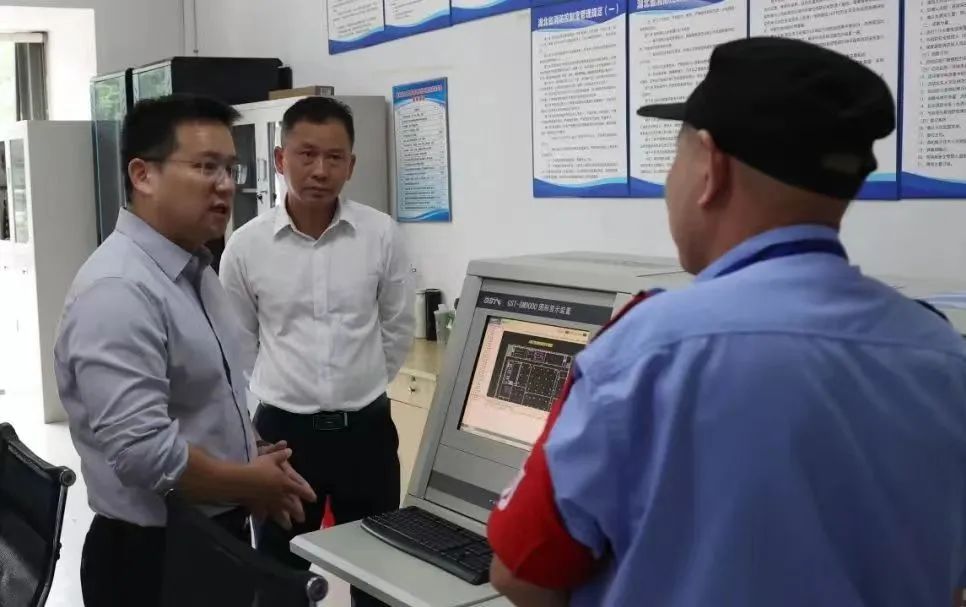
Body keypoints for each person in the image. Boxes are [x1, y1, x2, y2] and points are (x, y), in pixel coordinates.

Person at [486, 37, 966, 606]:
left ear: (710, 166)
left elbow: (521, 572)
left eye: (674, 159)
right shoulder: (944, 353)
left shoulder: (645, 350)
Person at [54, 94, 317, 607]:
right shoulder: (119, 290)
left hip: (206, 541)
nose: (225, 184)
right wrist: (247, 482)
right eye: (205, 167)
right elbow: (143, 454)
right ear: (143, 175)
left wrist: (249, 453)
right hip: (153, 559)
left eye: (230, 168)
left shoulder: (193, 270)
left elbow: (207, 392)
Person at [219, 96, 414, 605]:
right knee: (279, 575)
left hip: (367, 435)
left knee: (378, 577)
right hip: (284, 440)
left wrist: (359, 382)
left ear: (352, 164)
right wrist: (275, 394)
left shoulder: (380, 235)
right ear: (280, 159)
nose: (320, 170)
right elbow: (237, 344)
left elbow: (396, 328)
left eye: (334, 157)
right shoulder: (246, 246)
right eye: (306, 155)